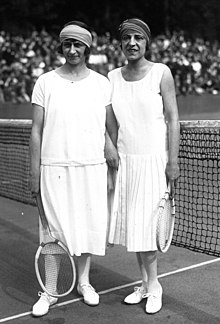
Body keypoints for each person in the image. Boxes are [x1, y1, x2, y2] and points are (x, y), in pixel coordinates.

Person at [29, 20, 118, 317]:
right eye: (67, 44)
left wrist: (107, 143)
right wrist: (33, 172)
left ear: (87, 48)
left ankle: (84, 282)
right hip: (53, 166)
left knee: (87, 228)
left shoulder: (101, 83)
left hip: (91, 166)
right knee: (52, 233)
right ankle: (51, 289)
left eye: (77, 44)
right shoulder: (45, 82)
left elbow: (108, 125)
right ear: (61, 47)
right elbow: (36, 132)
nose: (72, 50)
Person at [107, 18, 180, 314]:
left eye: (138, 37)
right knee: (135, 230)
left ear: (147, 42)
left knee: (148, 230)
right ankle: (145, 284)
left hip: (155, 162)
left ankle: (155, 286)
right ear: (121, 43)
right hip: (126, 162)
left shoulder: (162, 73)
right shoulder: (111, 77)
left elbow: (173, 118)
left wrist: (173, 161)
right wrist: (109, 151)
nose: (132, 43)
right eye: (127, 38)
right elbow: (109, 125)